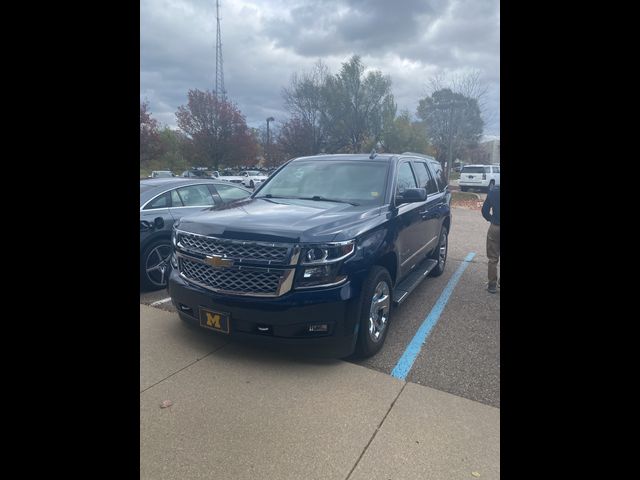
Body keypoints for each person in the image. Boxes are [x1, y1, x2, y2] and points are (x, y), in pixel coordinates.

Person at [481, 184, 500, 293]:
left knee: (493, 258)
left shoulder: (493, 192)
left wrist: (491, 219)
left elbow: (484, 210)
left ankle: (492, 284)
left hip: (495, 227)